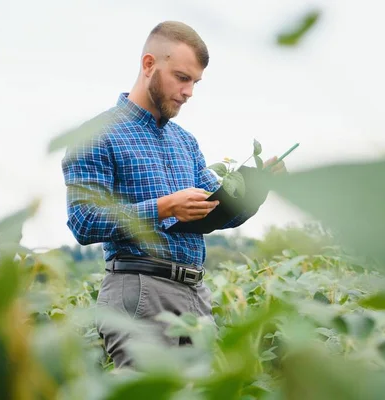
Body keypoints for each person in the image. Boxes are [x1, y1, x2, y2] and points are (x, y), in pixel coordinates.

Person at [61, 20, 286, 369]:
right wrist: (164, 208)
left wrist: (255, 189)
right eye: (182, 77)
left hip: (194, 293)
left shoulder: (185, 141)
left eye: (195, 82)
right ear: (149, 64)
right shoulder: (95, 135)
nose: (189, 91)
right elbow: (83, 221)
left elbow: (212, 211)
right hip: (140, 291)